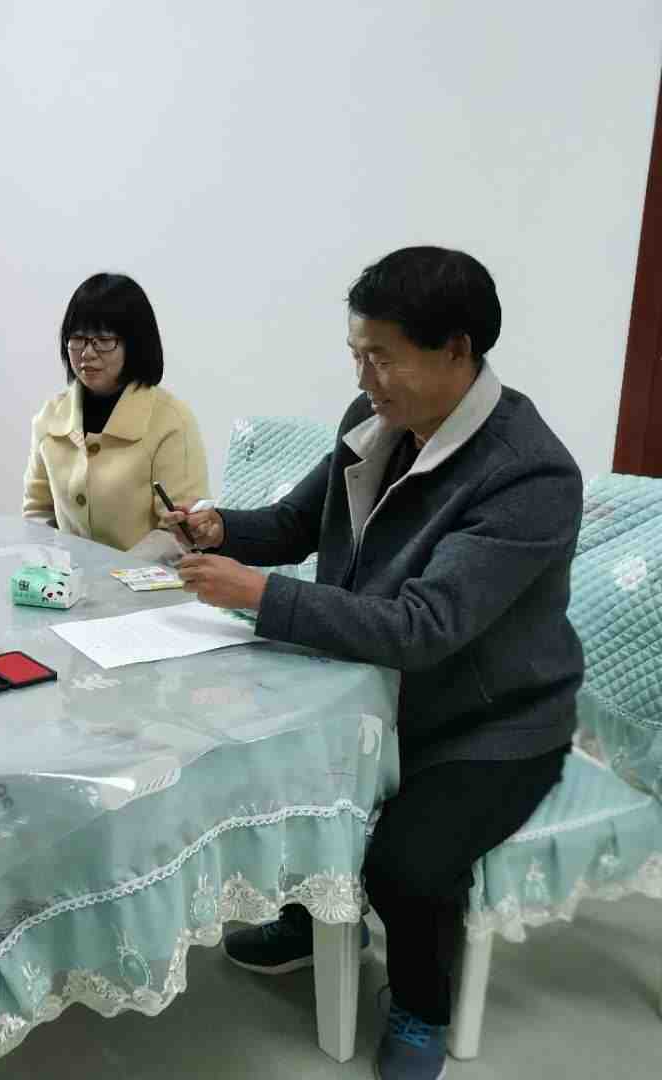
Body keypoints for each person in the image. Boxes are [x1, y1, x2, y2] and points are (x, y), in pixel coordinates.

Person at [166, 247, 581, 1080]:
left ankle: (422, 1004)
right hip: (368, 687)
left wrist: (258, 595)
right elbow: (298, 522)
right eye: (356, 353)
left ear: (456, 350)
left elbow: (425, 627)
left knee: (408, 866)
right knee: (272, 772)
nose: (363, 376)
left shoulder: (528, 474)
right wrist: (221, 529)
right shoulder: (378, 415)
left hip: (490, 723)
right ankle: (316, 920)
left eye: (381, 356)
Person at [22, 272, 208, 551]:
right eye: (78, 338)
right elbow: (37, 513)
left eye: (103, 339)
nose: (87, 353)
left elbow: (178, 533)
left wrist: (113, 572)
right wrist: (49, 566)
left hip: (149, 576)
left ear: (135, 344)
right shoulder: (50, 417)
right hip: (67, 576)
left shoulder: (171, 421)